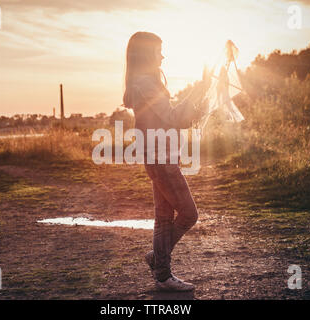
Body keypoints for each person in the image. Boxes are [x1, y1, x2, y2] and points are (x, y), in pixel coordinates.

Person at [122, 31, 209, 291]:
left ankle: (161, 273)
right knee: (188, 214)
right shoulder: (146, 84)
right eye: (159, 50)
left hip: (160, 155)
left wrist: (196, 98)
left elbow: (170, 116)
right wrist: (198, 91)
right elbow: (172, 116)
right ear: (147, 53)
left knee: (163, 217)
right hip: (160, 158)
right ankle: (161, 267)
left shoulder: (145, 81)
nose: (163, 55)